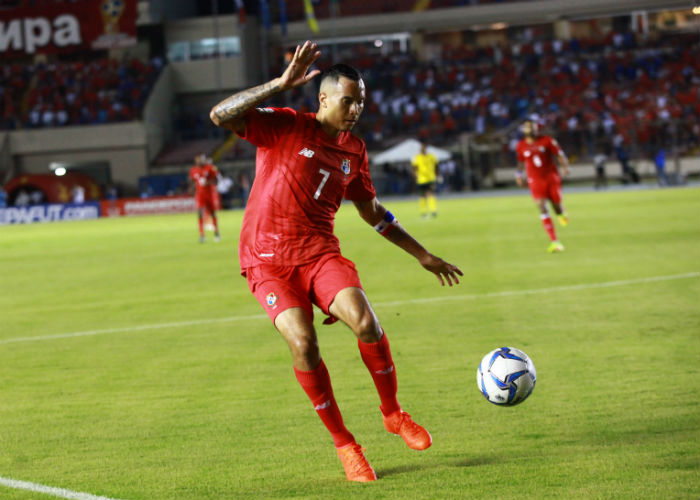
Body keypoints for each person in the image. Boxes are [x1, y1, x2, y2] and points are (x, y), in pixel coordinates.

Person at [209, 41, 463, 482]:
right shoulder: (285, 127)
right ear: (323, 97)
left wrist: (422, 253)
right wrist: (279, 84)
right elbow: (220, 115)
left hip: (318, 252)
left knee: (366, 322)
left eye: (361, 102)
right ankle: (346, 444)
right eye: (348, 100)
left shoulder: (354, 151)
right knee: (304, 344)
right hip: (267, 260)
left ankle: (393, 413)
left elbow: (372, 212)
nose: (355, 109)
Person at [515, 119, 570, 253]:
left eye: (534, 128)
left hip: (551, 177)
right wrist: (518, 174)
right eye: (529, 128)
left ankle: (561, 213)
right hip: (535, 179)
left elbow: (559, 154)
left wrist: (565, 166)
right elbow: (521, 162)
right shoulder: (521, 146)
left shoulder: (547, 140)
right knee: (541, 206)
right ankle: (554, 241)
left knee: (556, 204)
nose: (533, 130)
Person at [188, 153, 221, 243]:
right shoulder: (193, 170)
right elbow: (192, 181)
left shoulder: (209, 168)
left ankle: (216, 233)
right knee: (200, 213)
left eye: (201, 159)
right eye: (198, 159)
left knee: (212, 213)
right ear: (195, 160)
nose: (199, 161)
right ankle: (202, 235)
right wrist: (191, 189)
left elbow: (216, 180)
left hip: (209, 194)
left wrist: (209, 183)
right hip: (200, 195)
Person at [411, 142, 438, 217]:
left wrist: (437, 175)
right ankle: (424, 212)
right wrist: (415, 175)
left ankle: (433, 211)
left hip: (430, 178)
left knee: (431, 194)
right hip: (421, 179)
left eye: (423, 147)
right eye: (421, 148)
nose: (422, 149)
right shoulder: (417, 157)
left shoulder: (431, 156)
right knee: (422, 195)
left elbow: (436, 165)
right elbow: (414, 167)